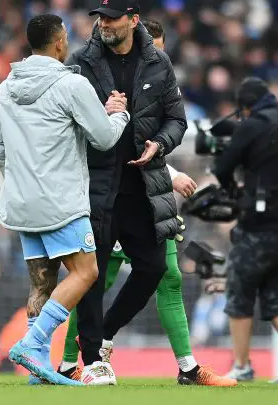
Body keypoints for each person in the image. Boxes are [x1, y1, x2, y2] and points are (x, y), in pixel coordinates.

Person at [58, 19, 235, 386]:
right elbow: (102, 132)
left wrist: (163, 163)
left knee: (163, 274)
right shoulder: (91, 65)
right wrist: (171, 173)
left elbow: (164, 126)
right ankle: (72, 361)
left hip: (147, 193)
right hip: (103, 190)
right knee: (92, 276)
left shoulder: (159, 69)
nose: (153, 54)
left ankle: (183, 365)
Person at [0, 13, 129, 386]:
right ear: (59, 42)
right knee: (87, 272)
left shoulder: (7, 87)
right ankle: (31, 342)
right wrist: (119, 114)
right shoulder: (72, 84)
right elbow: (103, 138)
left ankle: (37, 370)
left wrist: (20, 183)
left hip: (21, 202)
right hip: (60, 201)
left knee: (42, 283)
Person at [65, 0, 187, 385]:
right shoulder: (81, 62)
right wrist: (97, 117)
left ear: (134, 20)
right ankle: (92, 362)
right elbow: (61, 119)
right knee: (92, 275)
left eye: (112, 17)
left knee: (152, 267)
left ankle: (103, 337)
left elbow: (177, 120)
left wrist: (161, 143)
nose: (104, 23)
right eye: (101, 17)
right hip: (94, 184)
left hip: (141, 186)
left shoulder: (158, 62)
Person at [207, 77, 278, 383]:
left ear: (245, 106)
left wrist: (233, 186)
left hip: (259, 227)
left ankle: (241, 365)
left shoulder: (252, 125)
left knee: (239, 295)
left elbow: (221, 167)